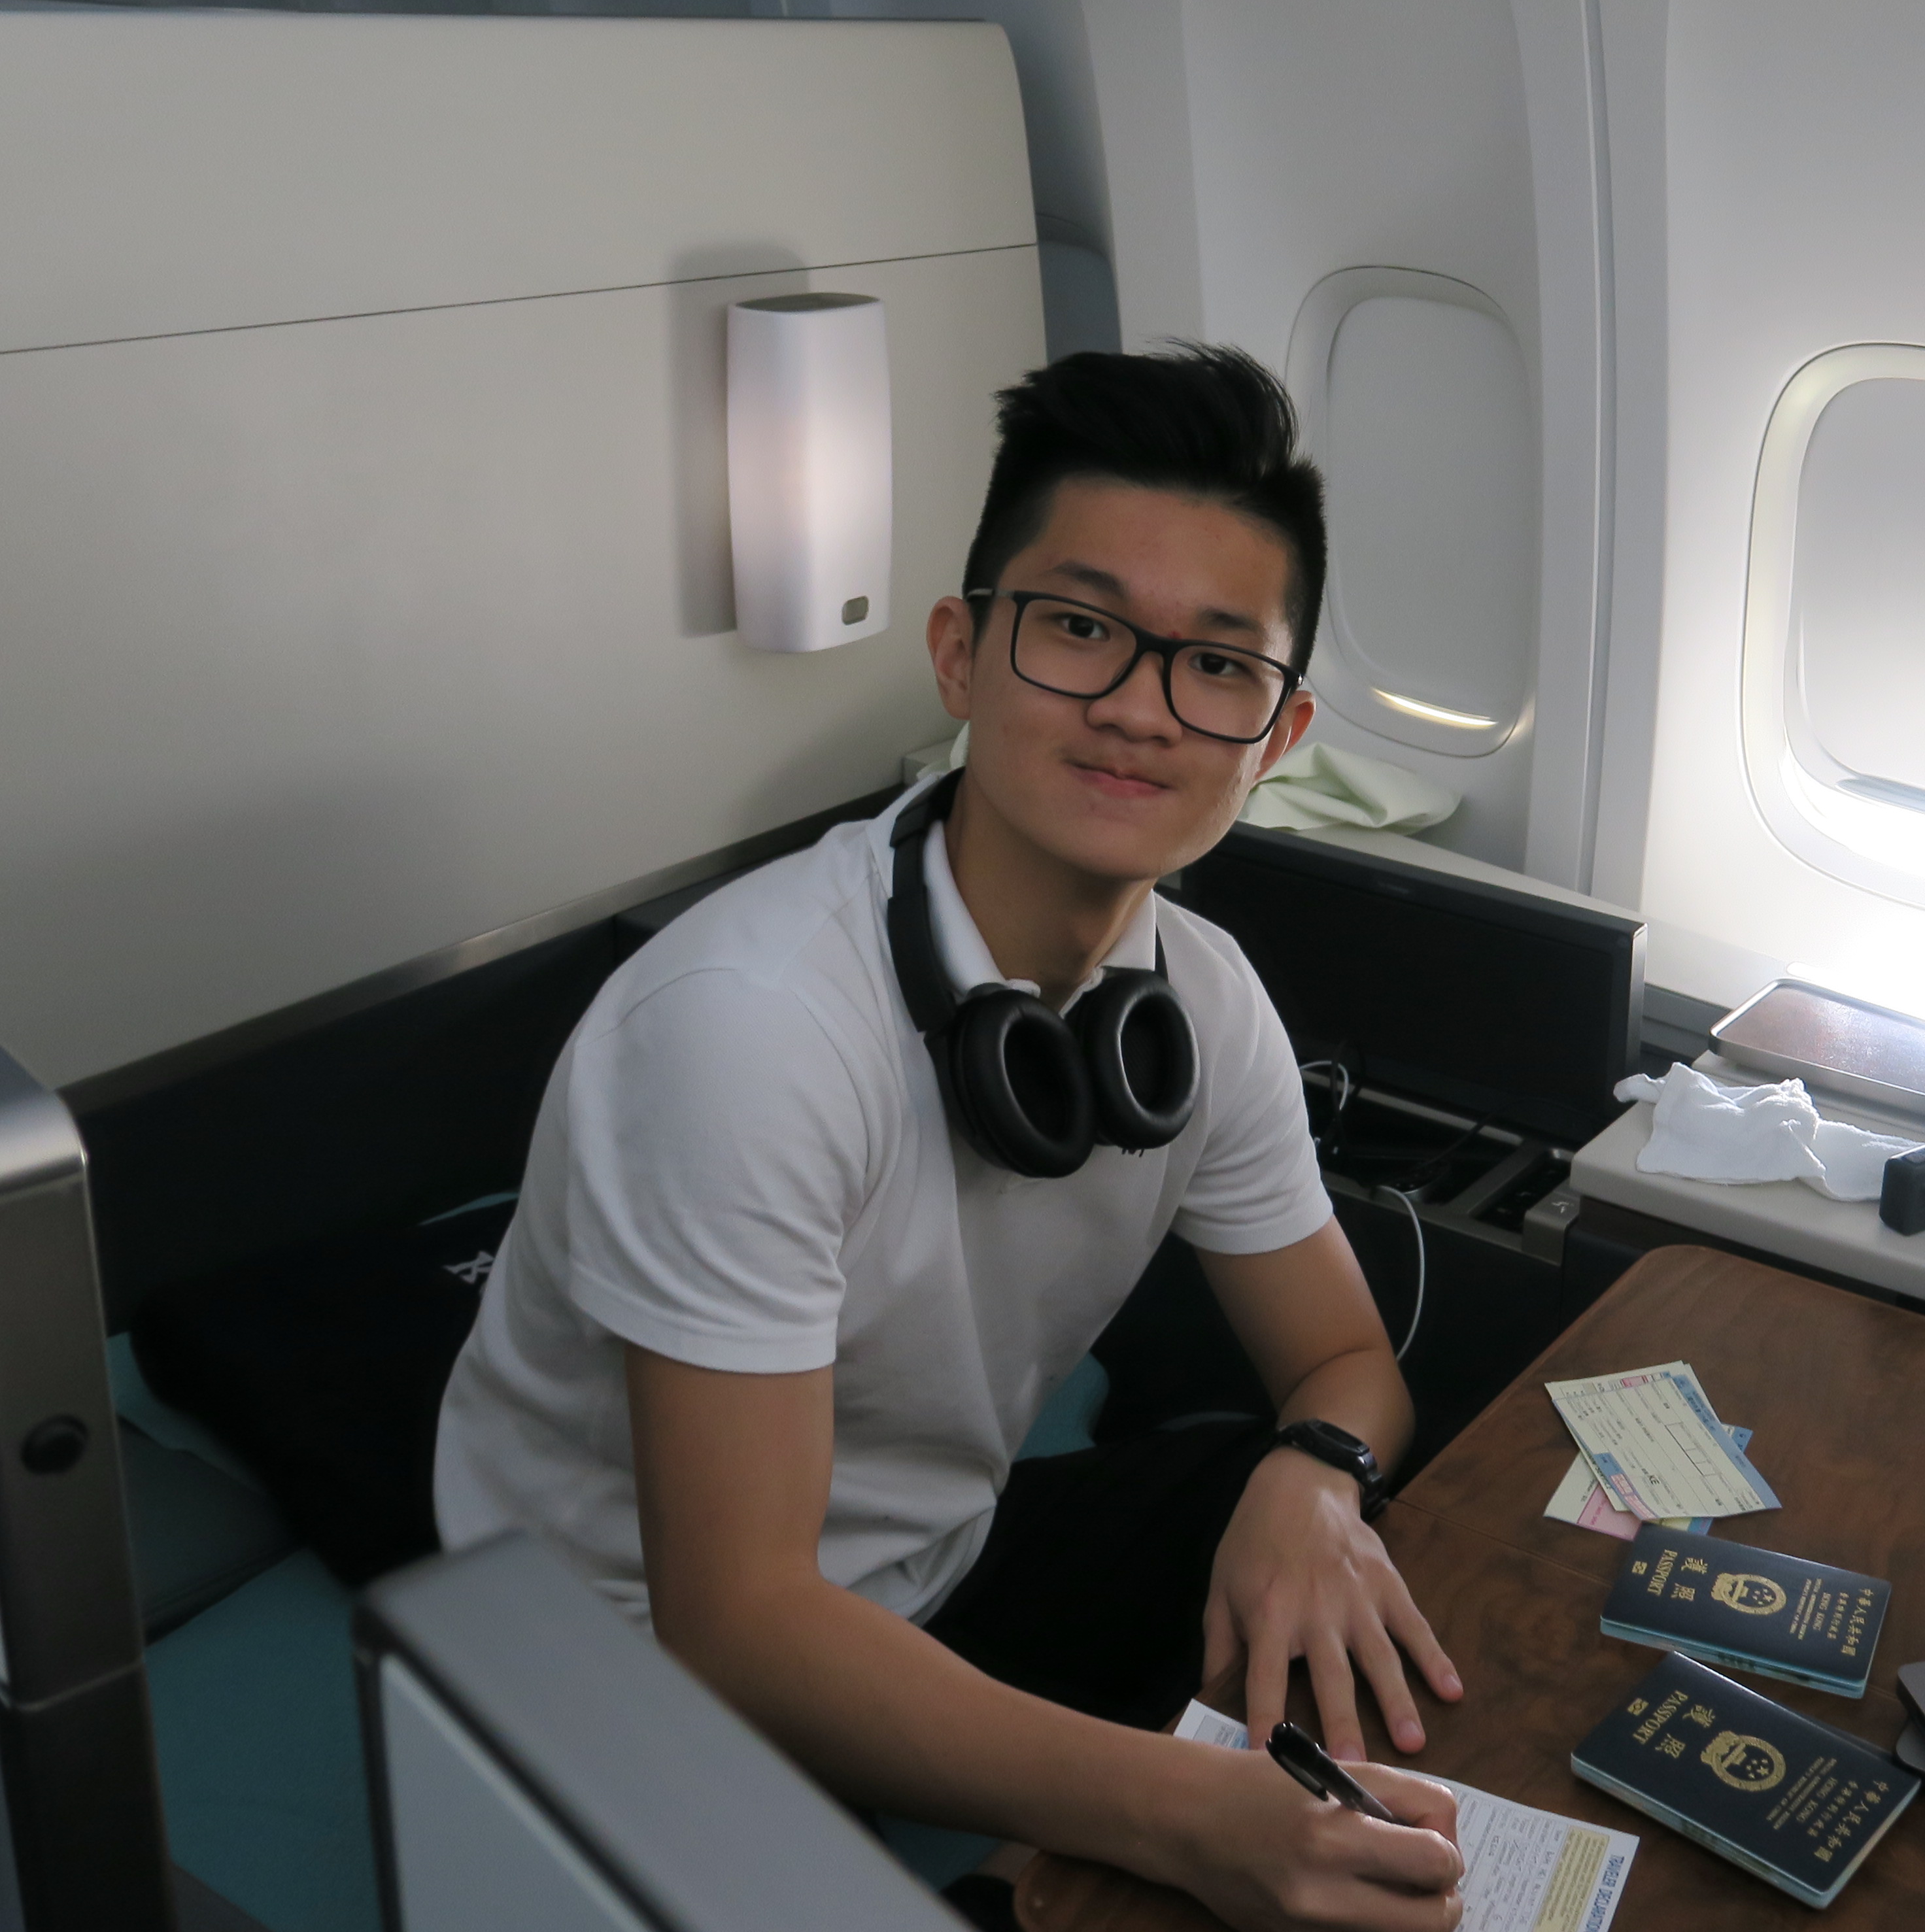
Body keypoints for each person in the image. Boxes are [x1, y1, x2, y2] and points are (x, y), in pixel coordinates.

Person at [434, 344, 1468, 1932]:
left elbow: (1347, 1370)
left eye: (1215, 665)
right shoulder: (747, 1030)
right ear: (960, 653)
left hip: (929, 1578)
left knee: (1265, 1521)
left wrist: (1314, 1480)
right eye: (1077, 628)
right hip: (631, 1661)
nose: (1139, 707)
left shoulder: (1196, 998)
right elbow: (741, 1626)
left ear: (1278, 732)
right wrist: (1192, 1816)